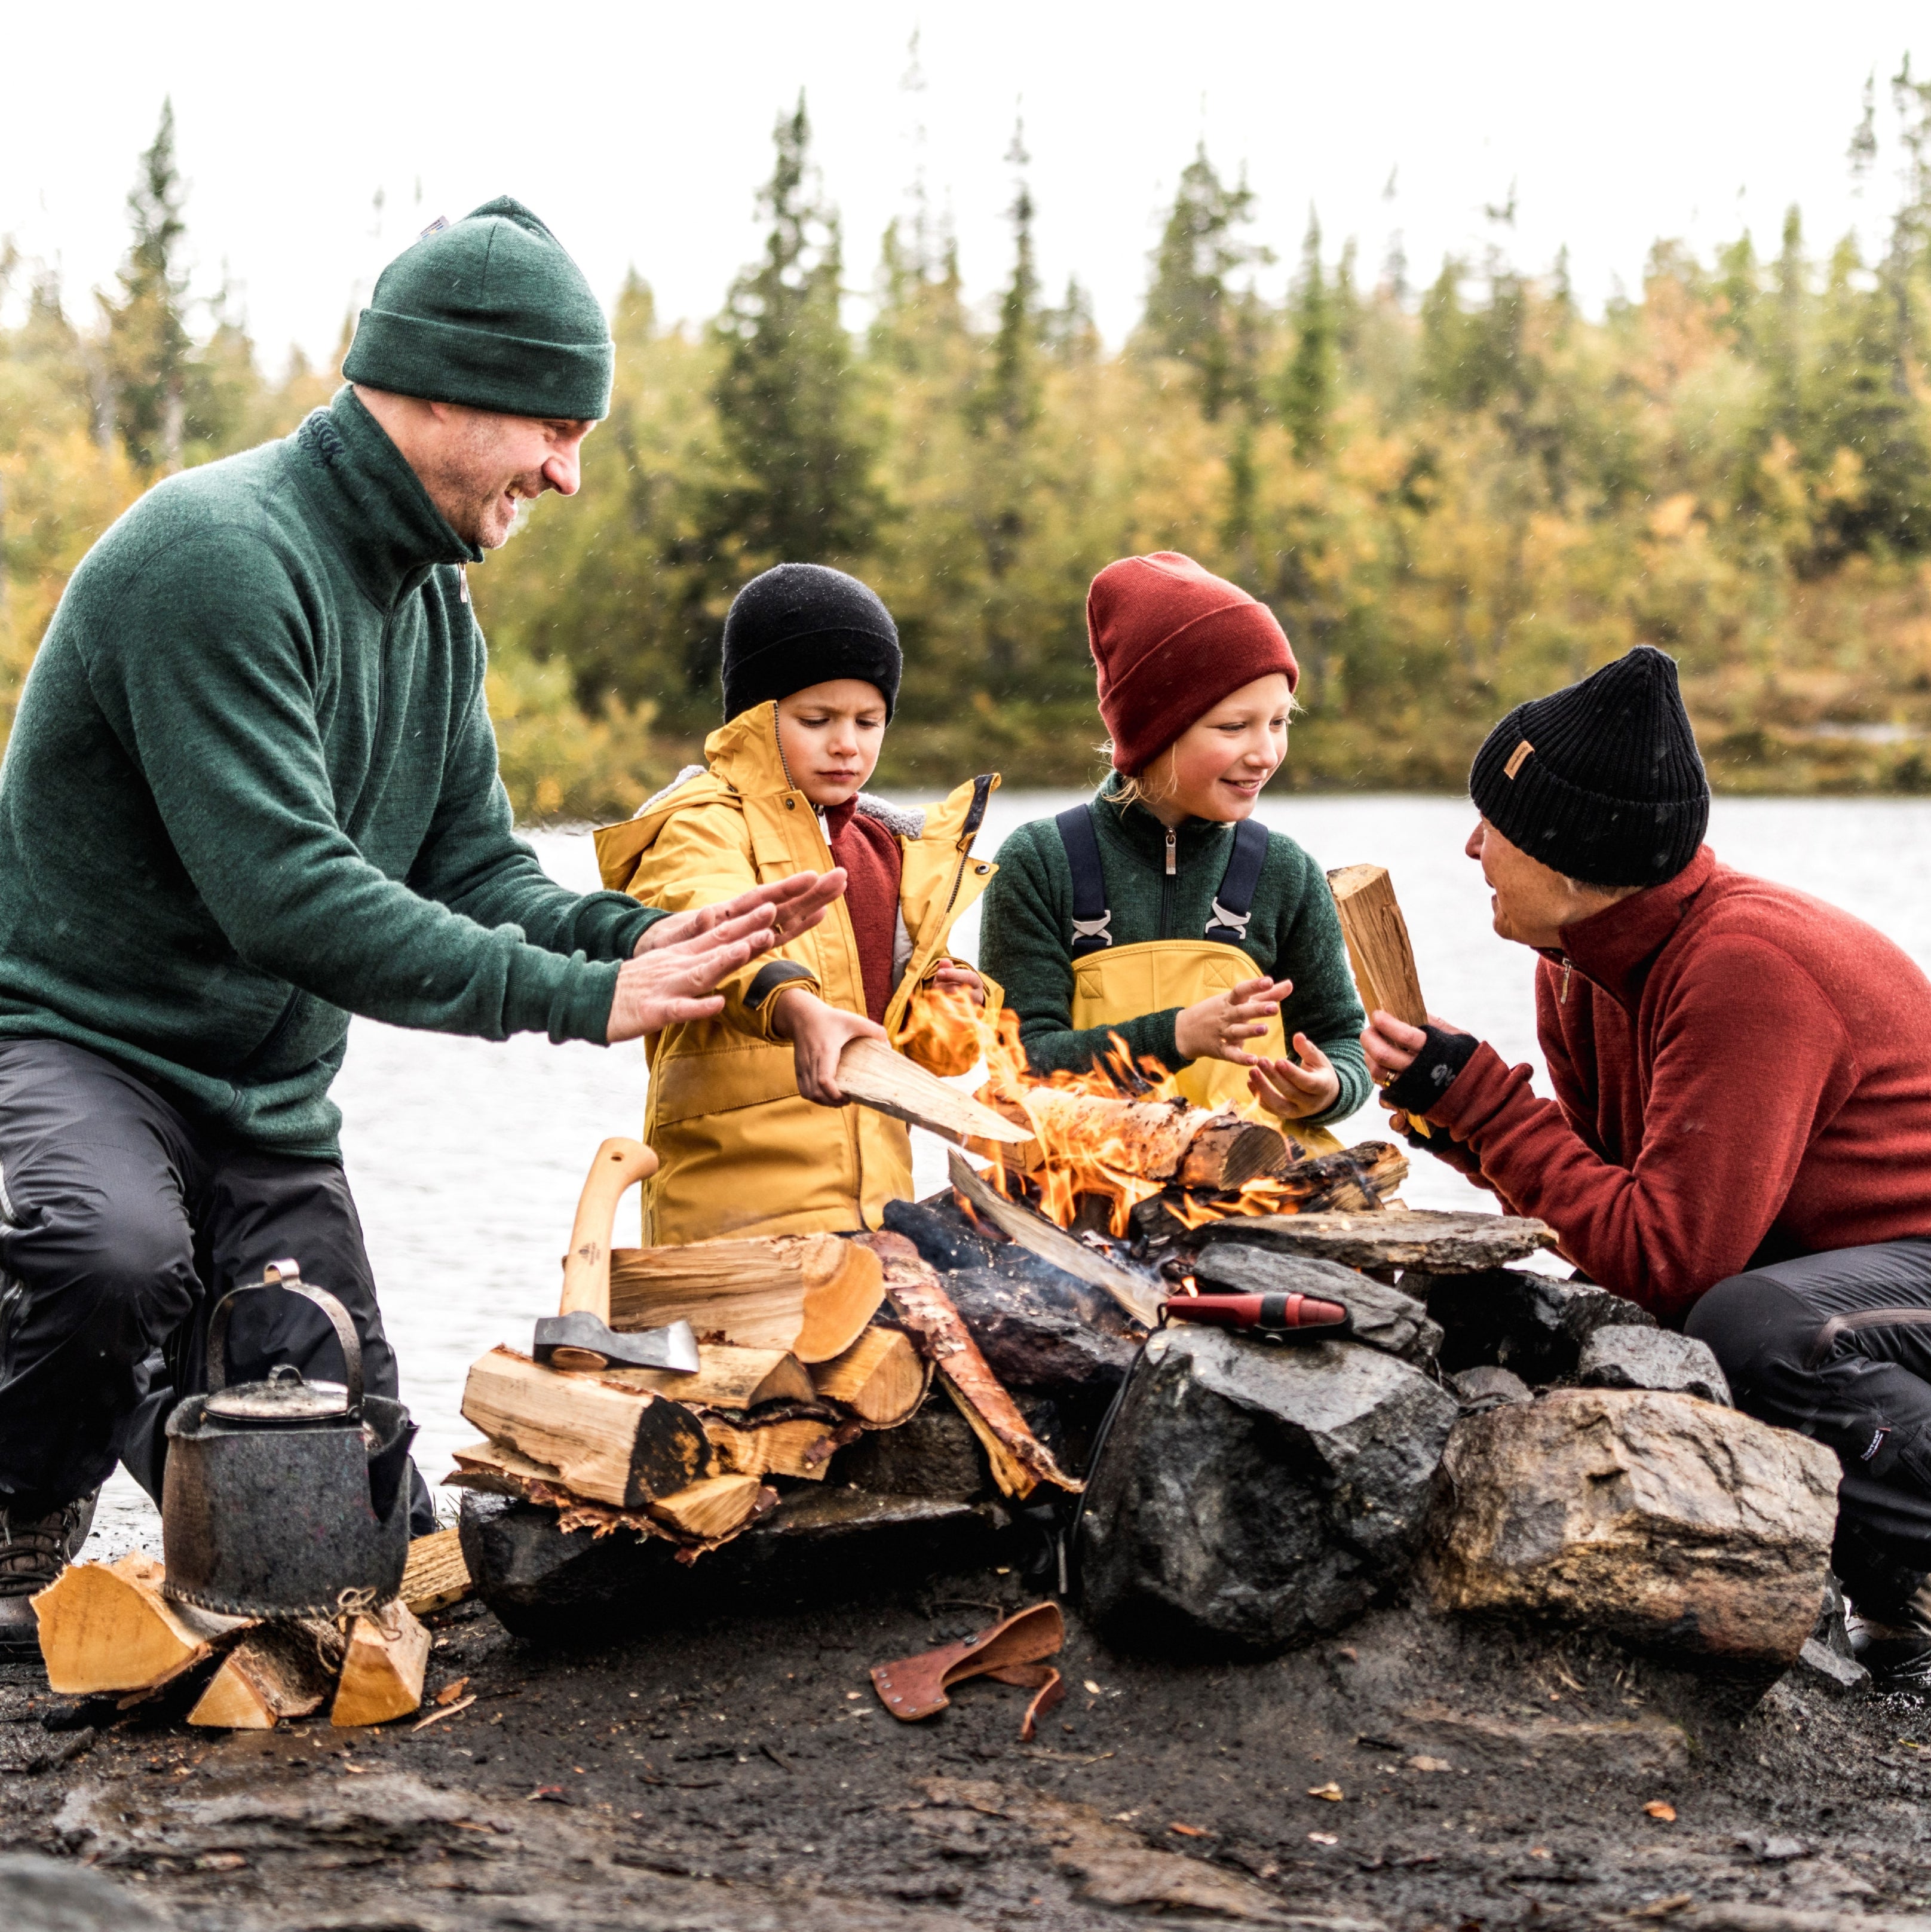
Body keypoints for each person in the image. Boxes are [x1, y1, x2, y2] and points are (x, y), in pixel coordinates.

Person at [0, 199, 841, 1652]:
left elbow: (474, 866)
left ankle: (163, 1410)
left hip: (261, 1105)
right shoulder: (216, 553)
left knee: (348, 1530)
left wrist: (656, 952)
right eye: (553, 429)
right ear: (443, 387)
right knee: (108, 1253)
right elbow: (293, 899)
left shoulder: (433, 610)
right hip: (74, 1049)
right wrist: (578, 1004)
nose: (568, 475)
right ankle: (18, 1511)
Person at [1362, 644, 1931, 1688]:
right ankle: (1884, 1575)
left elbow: (1669, 1254)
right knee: (1619, 1314)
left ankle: (1900, 1564)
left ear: (1573, 861)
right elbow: (1610, 1213)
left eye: (1496, 824)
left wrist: (1487, 1100)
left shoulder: (1744, 968)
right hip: (1848, 1276)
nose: (1470, 844)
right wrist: (1453, 1114)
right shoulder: (1578, 966)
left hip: (1905, 1275)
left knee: (1748, 1326)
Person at [594, 563, 996, 1243]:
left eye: (869, 721)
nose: (847, 743)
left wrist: (952, 1011)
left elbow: (922, 1053)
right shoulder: (700, 824)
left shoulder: (891, 848)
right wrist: (794, 1004)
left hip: (876, 1214)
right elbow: (709, 931)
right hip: (732, 1220)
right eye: (818, 719)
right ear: (755, 715)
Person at [979, 552, 1368, 1154]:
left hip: (1260, 1198)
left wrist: (1328, 1089)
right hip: (1086, 1192)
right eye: (1234, 727)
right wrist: (1179, 1035)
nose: (1265, 753)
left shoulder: (1285, 872)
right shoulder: (1039, 861)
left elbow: (1341, 1038)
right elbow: (1022, 1064)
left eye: (1279, 722)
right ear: (1152, 732)